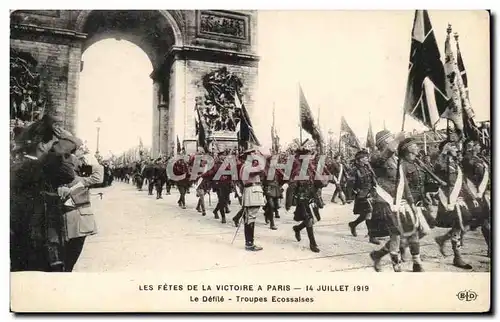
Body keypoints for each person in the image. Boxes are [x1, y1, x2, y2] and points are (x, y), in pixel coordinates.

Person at [369, 130, 423, 272]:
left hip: (400, 199)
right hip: (386, 200)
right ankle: (396, 265)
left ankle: (416, 262)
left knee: (413, 230)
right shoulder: (375, 156)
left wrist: (411, 202)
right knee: (396, 233)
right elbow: (381, 159)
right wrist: (396, 141)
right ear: (384, 141)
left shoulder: (396, 158)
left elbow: (403, 182)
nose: (394, 139)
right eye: (391, 138)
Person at [59, 137, 104, 272]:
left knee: (64, 256)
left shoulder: (63, 177)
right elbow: (98, 177)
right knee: (71, 256)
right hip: (78, 220)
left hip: (64, 219)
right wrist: (94, 162)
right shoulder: (76, 179)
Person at [433, 140, 473, 269]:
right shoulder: (443, 161)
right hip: (449, 199)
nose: (456, 148)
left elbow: (461, 181)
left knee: (465, 222)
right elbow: (437, 168)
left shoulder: (455, 162)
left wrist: (471, 196)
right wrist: (443, 152)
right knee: (461, 222)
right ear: (446, 148)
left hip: (459, 198)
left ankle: (443, 239)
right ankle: (458, 257)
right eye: (453, 146)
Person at [286, 147, 325, 253]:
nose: (309, 158)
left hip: (311, 198)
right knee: (309, 220)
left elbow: (320, 184)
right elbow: (291, 187)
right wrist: (288, 203)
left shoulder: (311, 169)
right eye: (307, 156)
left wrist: (316, 173)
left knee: (315, 219)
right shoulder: (297, 171)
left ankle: (297, 228)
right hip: (302, 199)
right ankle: (313, 244)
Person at [462, 139, 490, 257]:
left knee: (483, 221)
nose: (479, 147)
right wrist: (474, 194)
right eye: (477, 145)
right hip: (475, 193)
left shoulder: (481, 159)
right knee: (484, 220)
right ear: (472, 147)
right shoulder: (467, 160)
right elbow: (466, 179)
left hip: (483, 192)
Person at [348, 149, 378, 244]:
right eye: (365, 157)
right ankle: (372, 236)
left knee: (365, 215)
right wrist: (350, 196)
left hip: (370, 193)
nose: (367, 159)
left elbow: (372, 179)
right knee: (369, 213)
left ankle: (353, 224)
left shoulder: (367, 167)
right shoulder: (354, 170)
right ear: (360, 159)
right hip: (361, 195)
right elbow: (350, 184)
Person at [240, 148, 266, 251]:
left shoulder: (247, 166)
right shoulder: (247, 166)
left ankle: (249, 242)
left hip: (251, 191)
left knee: (250, 218)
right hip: (252, 191)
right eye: (253, 153)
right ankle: (249, 243)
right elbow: (262, 167)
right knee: (250, 218)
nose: (256, 155)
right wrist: (259, 157)